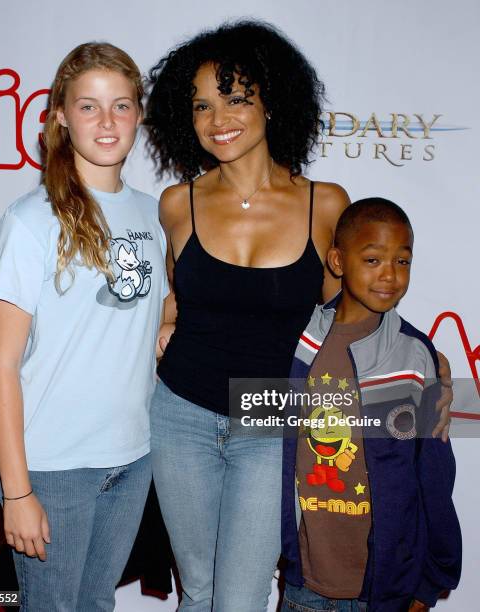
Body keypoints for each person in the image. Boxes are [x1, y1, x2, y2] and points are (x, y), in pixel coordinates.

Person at [147, 21, 452, 612]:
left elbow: (355, 307)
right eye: (203, 105)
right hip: (179, 413)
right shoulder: (176, 203)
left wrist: (421, 355)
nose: (218, 119)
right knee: (199, 590)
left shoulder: (325, 202)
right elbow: (176, 296)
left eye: (236, 98)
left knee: (238, 598)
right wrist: (166, 321)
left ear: (272, 101)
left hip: (273, 414)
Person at [0, 42, 168, 611]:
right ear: (60, 116)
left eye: (121, 105)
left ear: (139, 113)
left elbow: (155, 305)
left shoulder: (151, 212)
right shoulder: (31, 220)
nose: (107, 121)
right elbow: (0, 366)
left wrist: (164, 327)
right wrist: (17, 491)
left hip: (133, 455)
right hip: (52, 465)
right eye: (88, 106)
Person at [281, 199, 461, 612]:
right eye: (373, 259)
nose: (390, 275)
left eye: (402, 260)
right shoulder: (299, 342)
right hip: (303, 584)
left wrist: (430, 579)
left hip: (383, 591)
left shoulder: (416, 356)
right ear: (338, 261)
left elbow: (434, 472)